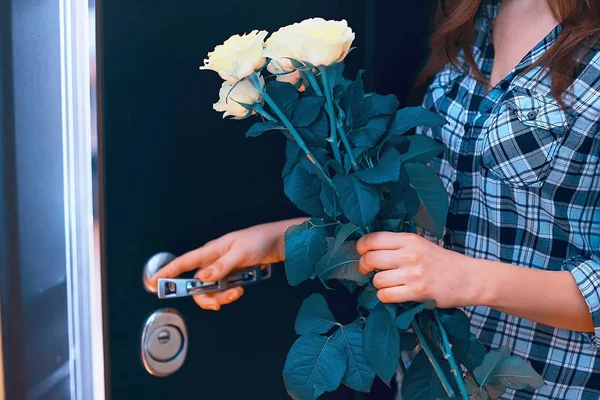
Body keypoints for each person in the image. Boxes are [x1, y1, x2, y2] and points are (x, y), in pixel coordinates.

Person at [149, 0, 600, 398]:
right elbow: (443, 210)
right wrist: (286, 240)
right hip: (434, 377)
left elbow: (450, 268)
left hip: (554, 385)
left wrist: (467, 279)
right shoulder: (480, 12)